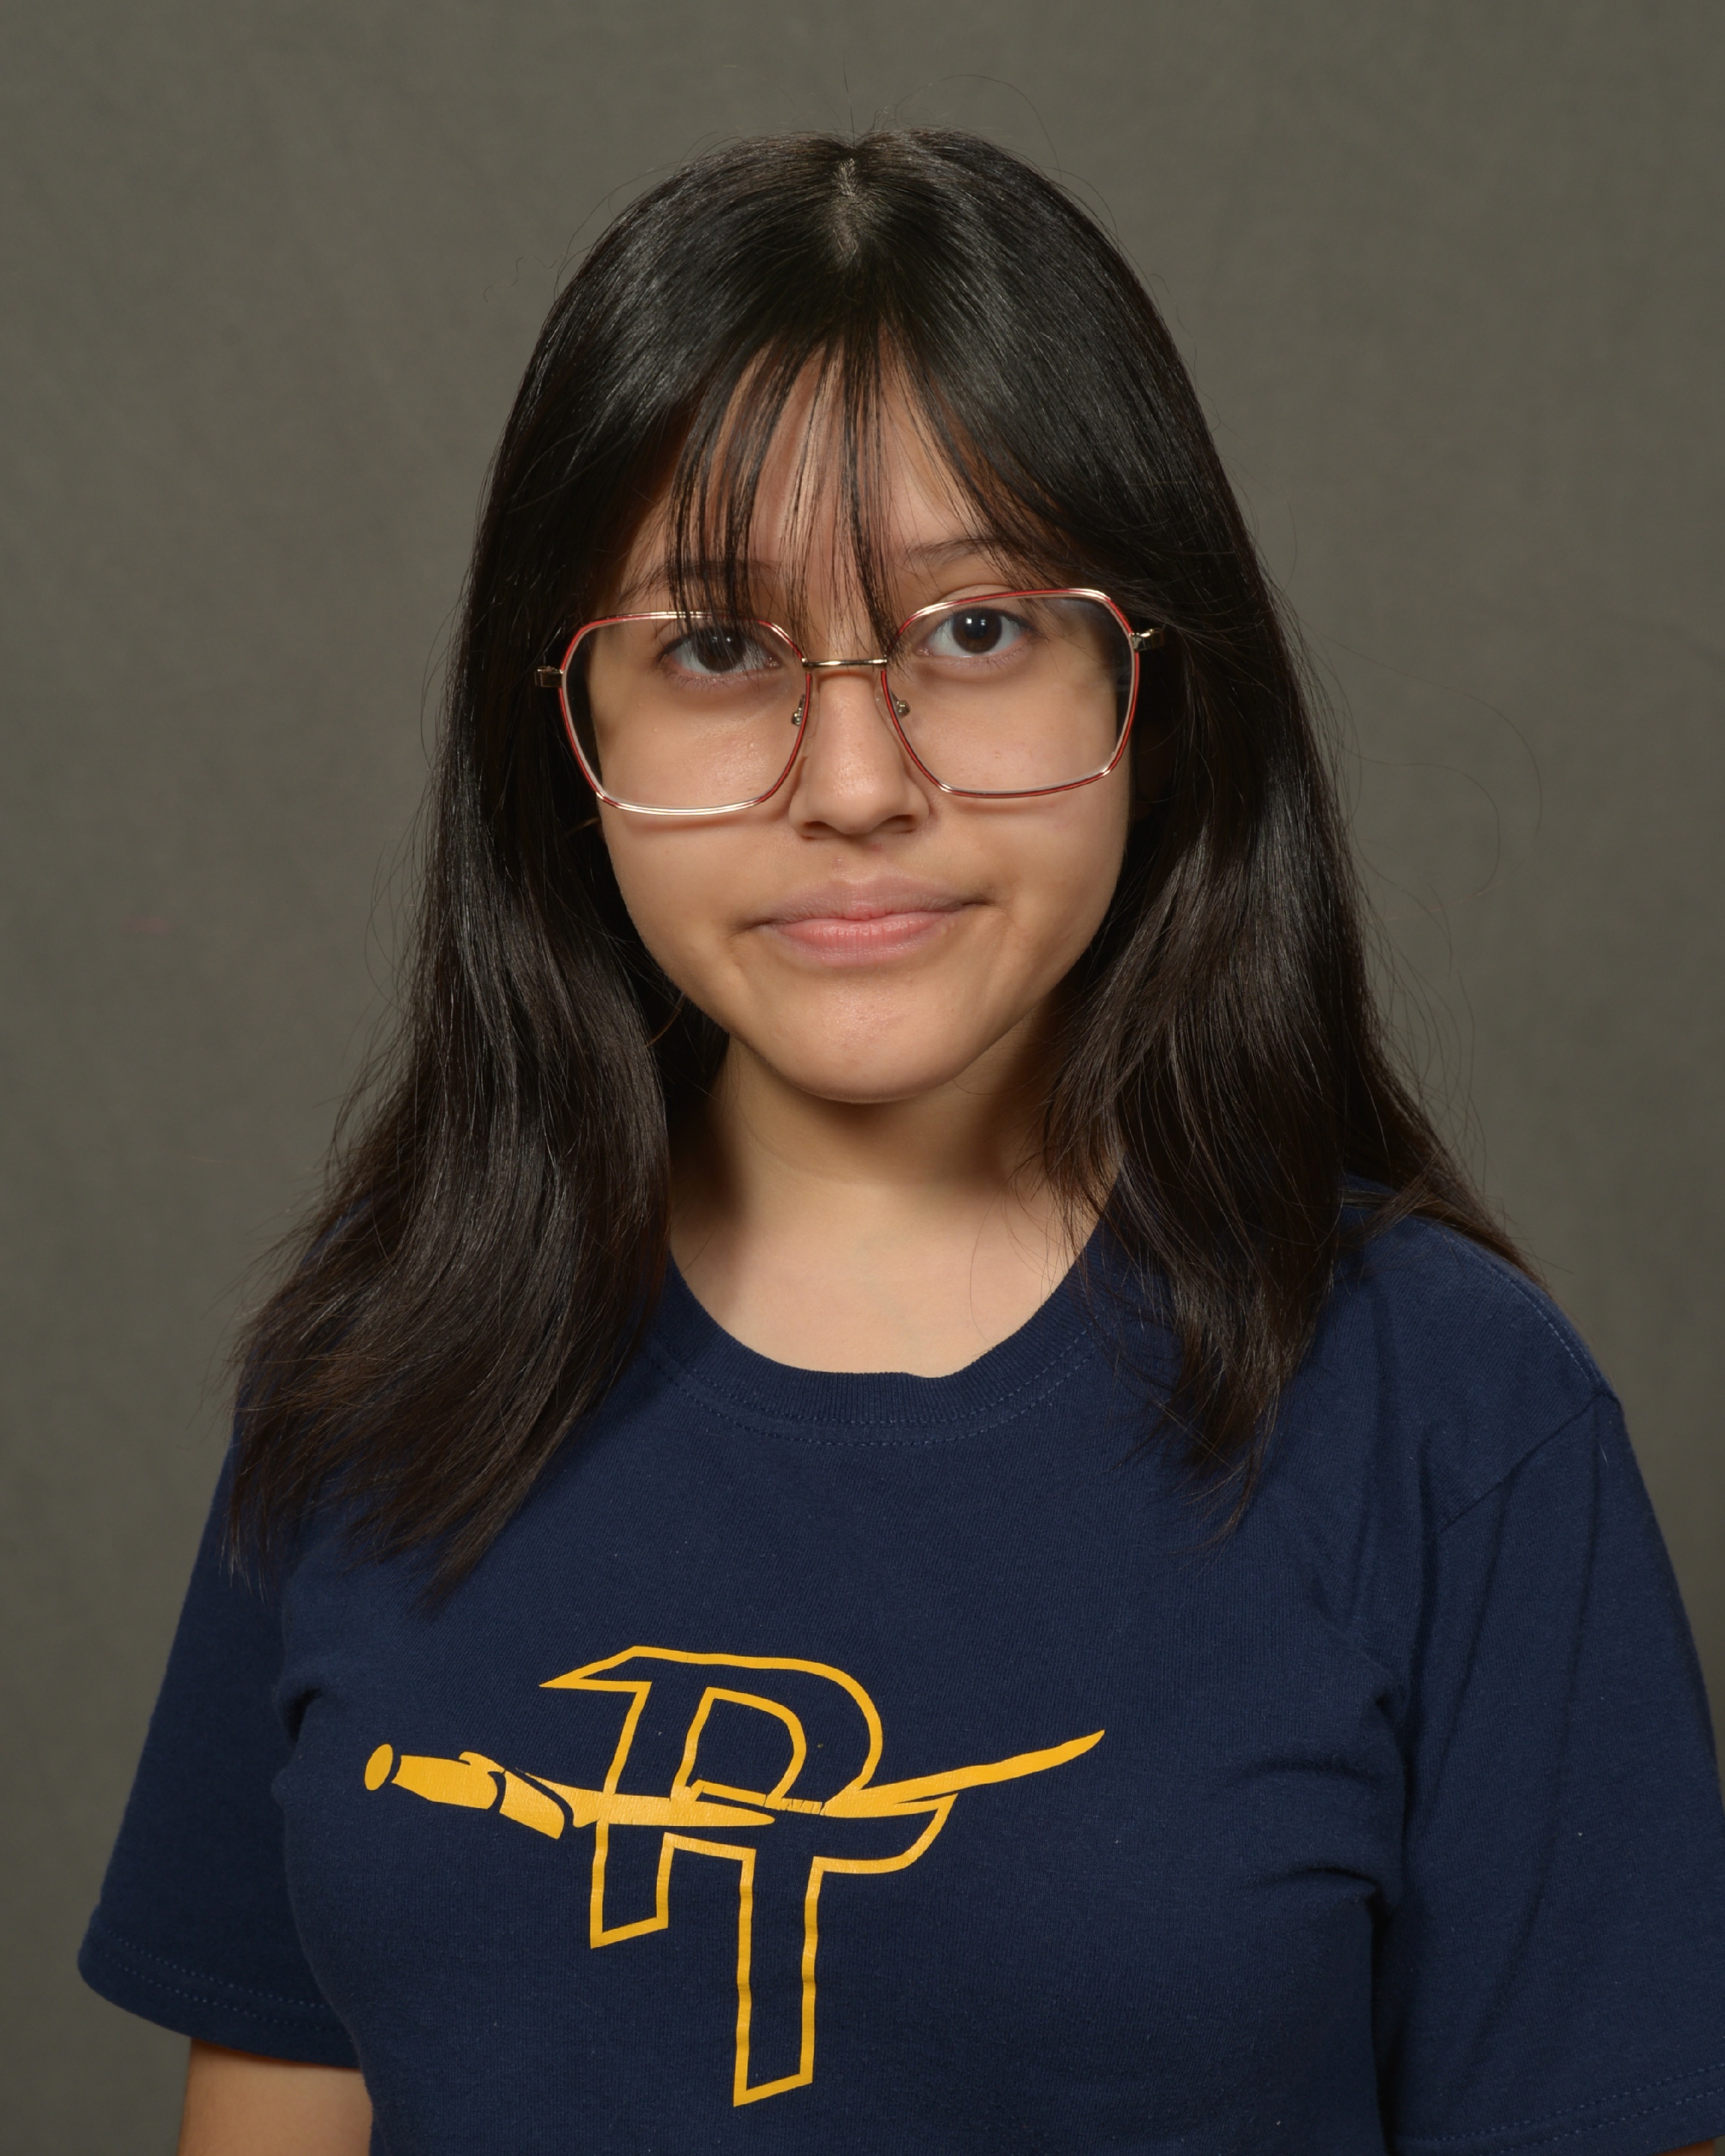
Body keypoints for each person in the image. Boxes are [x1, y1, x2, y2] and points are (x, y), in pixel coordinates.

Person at [81, 128, 1725, 2156]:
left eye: (976, 631)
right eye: (715, 647)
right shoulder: (370, 1387)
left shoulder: (1454, 1423)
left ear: (1152, 688)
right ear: (565, 739)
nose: (856, 784)